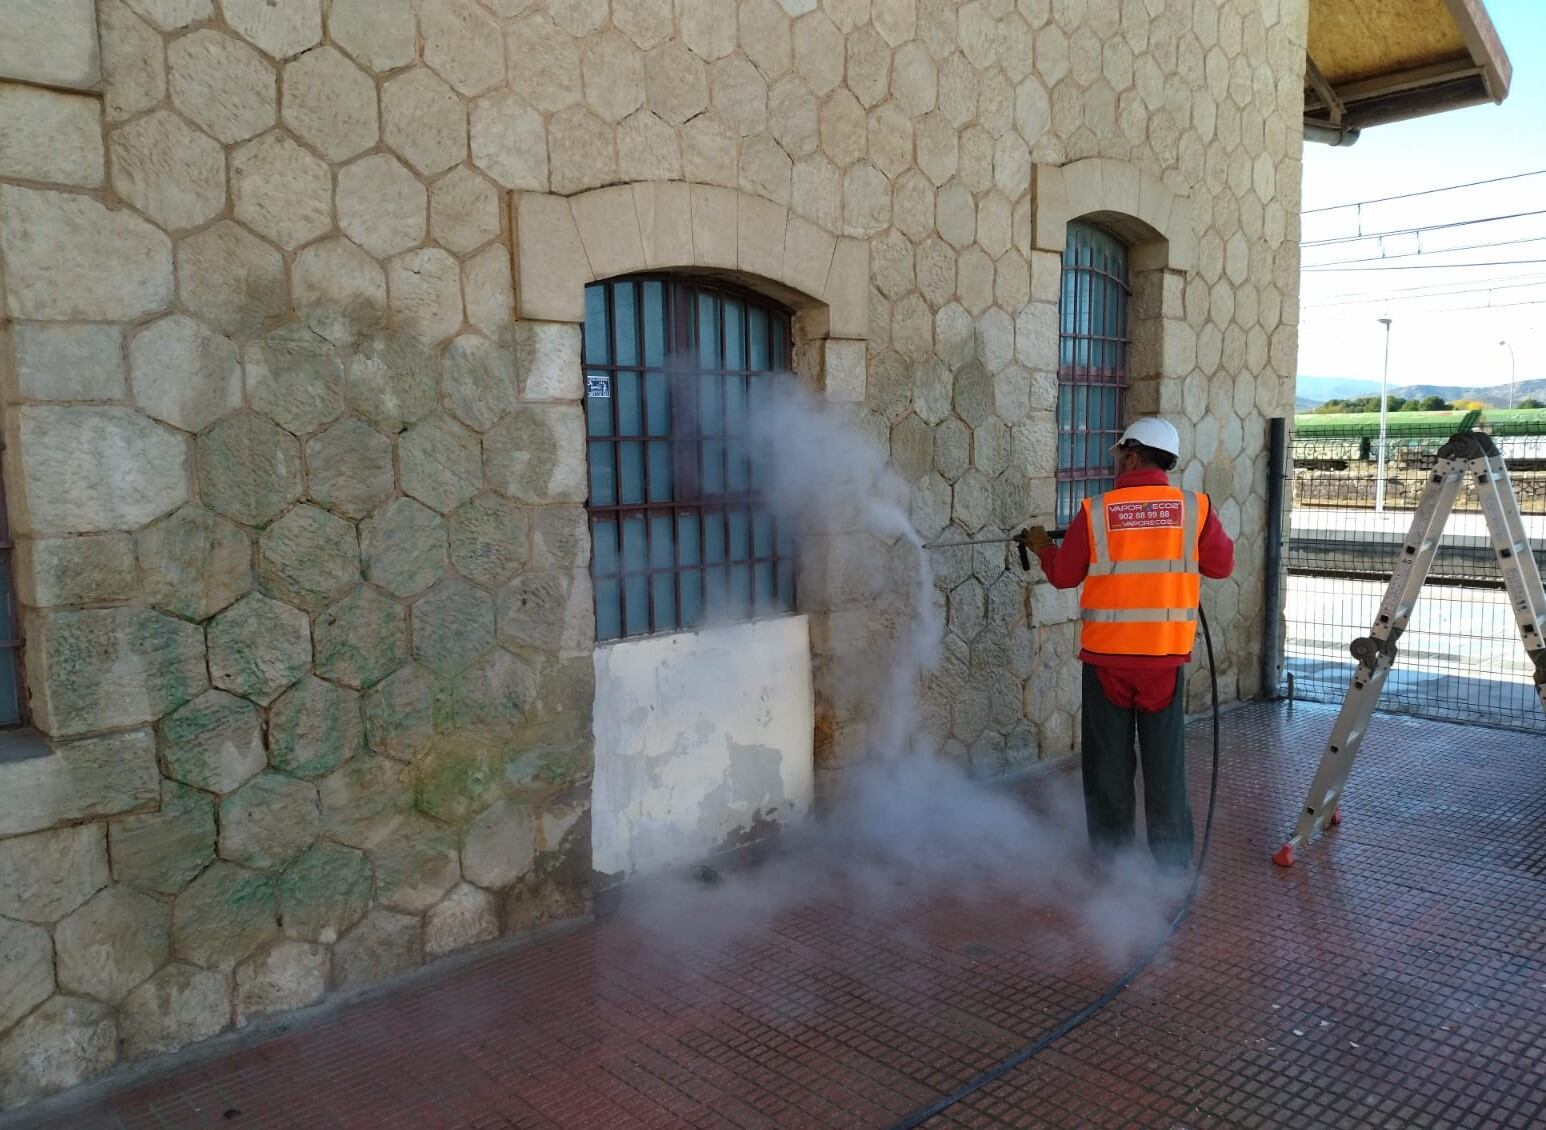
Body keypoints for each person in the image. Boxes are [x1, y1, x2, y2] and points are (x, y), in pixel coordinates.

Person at [1024, 418, 1234, 870]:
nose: (1117, 463)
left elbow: (1063, 576)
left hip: (1106, 664)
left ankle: (1113, 859)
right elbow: (1221, 566)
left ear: (1134, 455)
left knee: (1108, 766)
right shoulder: (1195, 509)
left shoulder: (1096, 511)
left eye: (1120, 455)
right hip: (1163, 661)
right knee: (1165, 765)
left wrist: (1043, 547)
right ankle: (1172, 864)